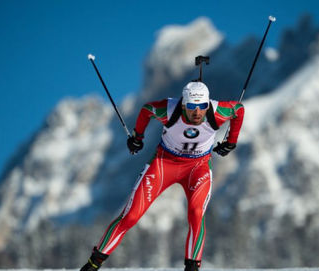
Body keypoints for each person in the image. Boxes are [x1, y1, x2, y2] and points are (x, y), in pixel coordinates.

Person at [80, 81, 244, 271]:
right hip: (164, 164)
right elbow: (147, 109)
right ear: (183, 104)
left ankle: (192, 268)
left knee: (196, 214)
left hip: (197, 167)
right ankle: (94, 263)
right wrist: (137, 137)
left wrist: (231, 141)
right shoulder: (169, 110)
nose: (197, 112)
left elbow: (239, 110)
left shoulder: (217, 112)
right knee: (131, 215)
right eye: (191, 107)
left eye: (202, 106)